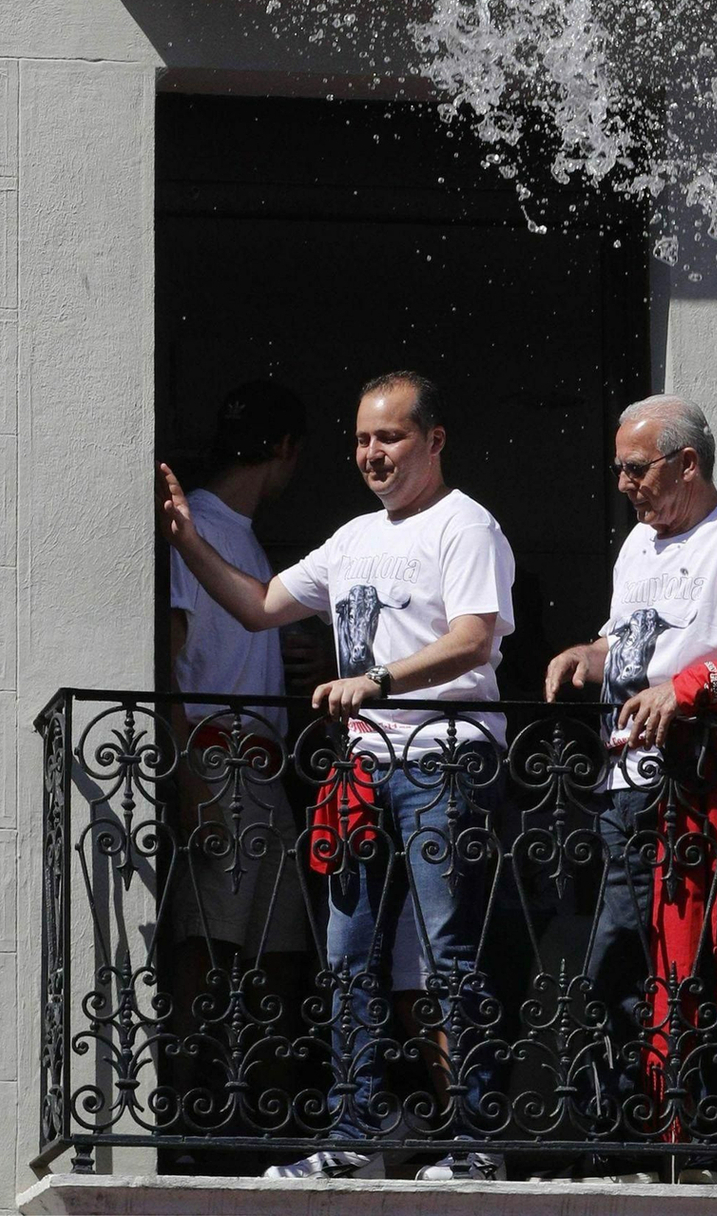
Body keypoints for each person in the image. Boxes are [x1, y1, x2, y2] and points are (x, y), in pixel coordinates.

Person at [160, 368, 514, 1182]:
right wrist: (186, 538)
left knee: (446, 954)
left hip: (442, 761)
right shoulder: (355, 538)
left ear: (434, 440)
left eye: (389, 437)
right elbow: (260, 604)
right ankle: (354, 1136)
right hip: (361, 773)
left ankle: (475, 1142)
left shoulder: (465, 525)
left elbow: (474, 639)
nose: (372, 454)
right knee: (348, 954)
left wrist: (378, 680)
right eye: (360, 438)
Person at [544, 396, 717, 1156]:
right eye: (620, 470)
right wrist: (585, 657)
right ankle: (638, 1130)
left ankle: (678, 1134)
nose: (625, 484)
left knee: (678, 962)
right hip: (622, 786)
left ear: (686, 464)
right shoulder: (637, 544)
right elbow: (627, 645)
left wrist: (693, 687)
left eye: (636, 469)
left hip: (692, 785)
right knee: (620, 965)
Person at [166, 379, 309, 975]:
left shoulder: (231, 533)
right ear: (284, 448)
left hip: (259, 768)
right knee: (209, 951)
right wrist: (191, 786)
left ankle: (230, 1072)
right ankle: (191, 1072)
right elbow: (163, 660)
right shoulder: (193, 525)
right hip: (216, 762)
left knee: (278, 962)